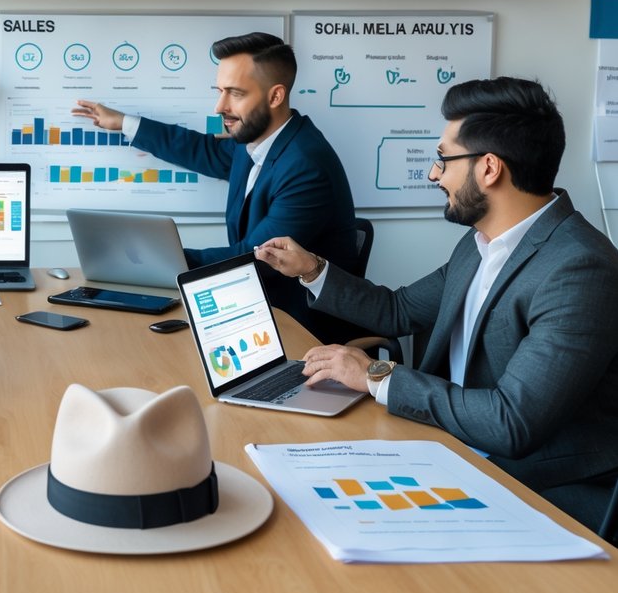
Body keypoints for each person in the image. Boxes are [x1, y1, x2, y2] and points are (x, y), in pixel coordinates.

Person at [255, 77, 618, 532]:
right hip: (452, 443)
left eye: (443, 159)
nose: (433, 174)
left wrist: (375, 374)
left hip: (538, 482)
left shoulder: (580, 270)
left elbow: (512, 423)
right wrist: (311, 269)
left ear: (489, 168)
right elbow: (399, 310)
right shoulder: (480, 242)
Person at [73, 31, 361, 343]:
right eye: (220, 91)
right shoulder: (256, 140)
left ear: (275, 96)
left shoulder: (306, 166)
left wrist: (156, 258)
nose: (218, 106)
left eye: (235, 94)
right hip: (257, 310)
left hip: (303, 331)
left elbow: (261, 258)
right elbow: (203, 150)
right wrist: (125, 123)